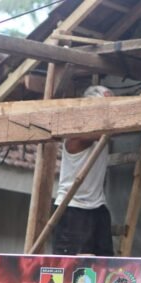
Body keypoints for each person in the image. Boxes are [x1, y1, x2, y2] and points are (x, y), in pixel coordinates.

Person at [52, 85, 115, 256]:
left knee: (104, 263)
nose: (109, 112)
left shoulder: (102, 133)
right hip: (72, 208)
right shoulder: (77, 137)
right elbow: (115, 125)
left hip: (97, 207)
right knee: (73, 266)